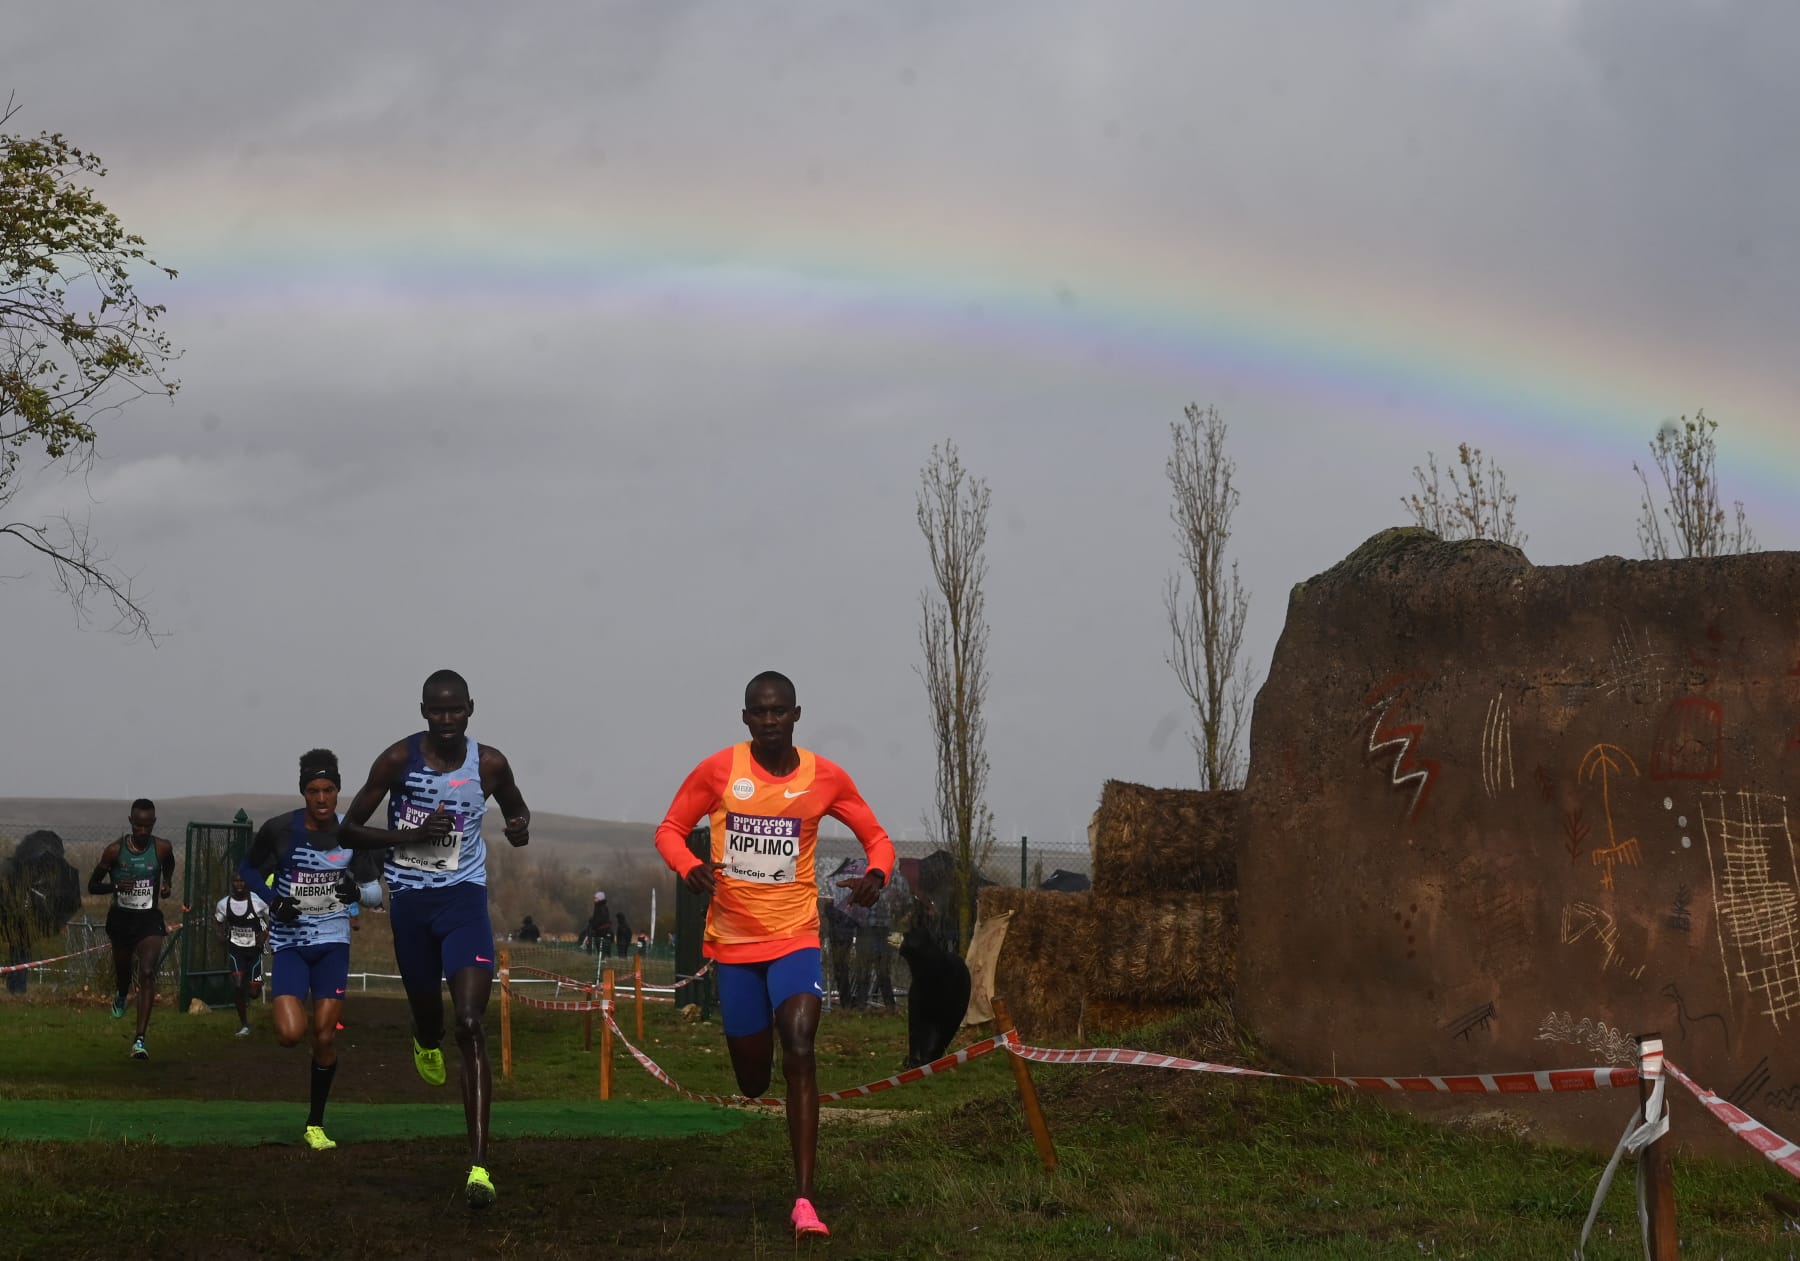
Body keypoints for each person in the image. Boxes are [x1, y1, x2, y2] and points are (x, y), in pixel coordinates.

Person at [653, 670, 895, 1241]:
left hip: (796, 937)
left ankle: (805, 1200)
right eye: (759, 712)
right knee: (754, 1082)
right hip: (735, 945)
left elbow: (877, 838)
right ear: (745, 719)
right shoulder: (719, 770)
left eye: (779, 711)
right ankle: (753, 1044)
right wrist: (689, 867)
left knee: (802, 1045)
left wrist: (878, 873)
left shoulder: (826, 776)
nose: (769, 721)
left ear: (796, 715)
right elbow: (669, 828)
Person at [337, 668, 531, 1209]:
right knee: (431, 1015)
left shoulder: (488, 763)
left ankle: (479, 1166)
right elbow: (349, 829)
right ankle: (424, 1038)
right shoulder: (398, 760)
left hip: (464, 899)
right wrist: (407, 836)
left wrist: (519, 827)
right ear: (423, 711)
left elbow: (518, 812)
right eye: (437, 711)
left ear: (471, 708)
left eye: (456, 710)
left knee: (470, 1022)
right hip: (412, 905)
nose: (447, 720)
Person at [241, 749, 381, 1150]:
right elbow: (247, 869)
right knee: (290, 1034)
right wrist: (272, 897)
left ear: (339, 791)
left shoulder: (352, 833)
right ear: (303, 792)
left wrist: (355, 890)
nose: (322, 799)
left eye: (329, 790)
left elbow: (373, 893)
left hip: (333, 943)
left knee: (324, 1036)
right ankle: (294, 1016)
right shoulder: (279, 830)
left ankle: (315, 1123)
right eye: (313, 790)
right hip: (290, 943)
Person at [85, 799, 175, 1060]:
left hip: (149, 919)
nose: (143, 831)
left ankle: (139, 1040)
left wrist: (166, 883)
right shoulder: (114, 851)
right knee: (123, 970)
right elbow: (92, 886)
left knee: (147, 972)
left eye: (147, 826)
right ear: (130, 822)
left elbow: (169, 863)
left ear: (154, 823)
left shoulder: (162, 847)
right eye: (138, 826)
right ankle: (122, 993)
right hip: (121, 920)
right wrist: (116, 888)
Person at [212, 870, 271, 1037]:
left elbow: (273, 917)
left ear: (247, 883)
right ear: (231, 883)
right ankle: (244, 1024)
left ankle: (256, 983)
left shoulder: (257, 901)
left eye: (242, 881)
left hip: (254, 950)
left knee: (253, 993)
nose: (239, 884)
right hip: (236, 949)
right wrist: (220, 934)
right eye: (236, 881)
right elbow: (217, 921)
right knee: (238, 985)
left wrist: (265, 934)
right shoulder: (224, 904)